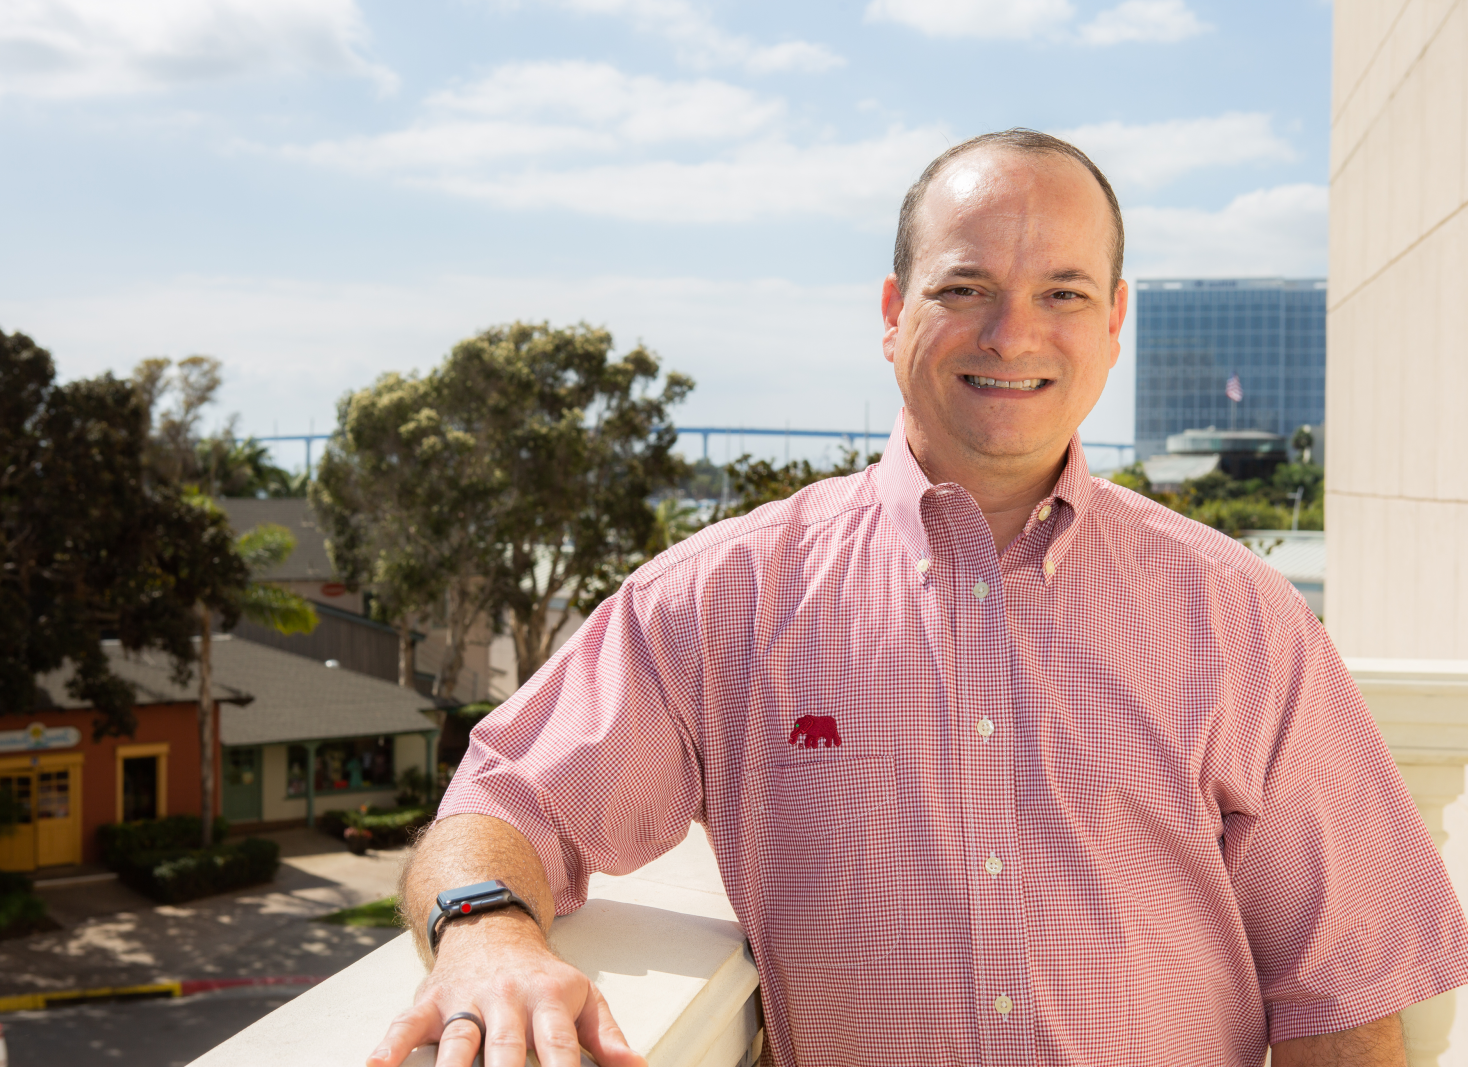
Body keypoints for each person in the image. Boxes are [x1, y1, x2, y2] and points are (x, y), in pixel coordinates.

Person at [365, 130, 1468, 1067]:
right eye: (963, 288)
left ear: (1115, 320)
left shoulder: (1241, 617)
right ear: (893, 311)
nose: (1011, 333)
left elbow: (1345, 993)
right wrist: (486, 938)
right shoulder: (724, 599)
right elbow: (506, 803)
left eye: (1061, 293)